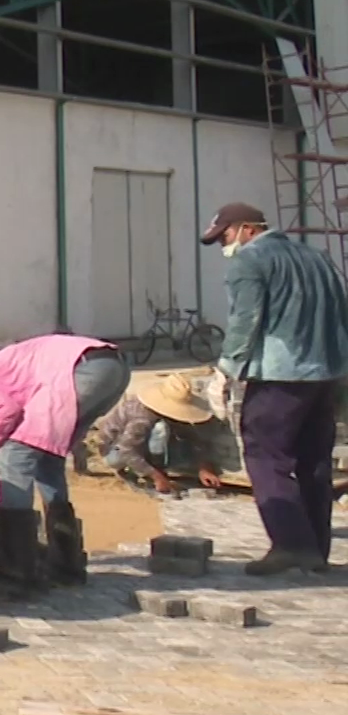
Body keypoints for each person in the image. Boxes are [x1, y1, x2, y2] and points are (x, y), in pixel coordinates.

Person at [202, 201, 348, 574]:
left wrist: (226, 371)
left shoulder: (250, 261)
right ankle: (316, 549)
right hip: (326, 374)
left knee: (265, 456)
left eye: (226, 236)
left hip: (278, 375)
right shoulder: (318, 259)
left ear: (249, 229)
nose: (225, 246)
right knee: (314, 462)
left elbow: (245, 320)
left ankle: (291, 545)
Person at [0, 334, 130, 588]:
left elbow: (4, 413)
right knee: (47, 459)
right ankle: (66, 566)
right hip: (113, 368)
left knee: (13, 455)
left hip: (81, 368)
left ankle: (17, 571)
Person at [93, 372, 224, 495]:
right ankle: (137, 472)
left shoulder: (167, 413)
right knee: (160, 430)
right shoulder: (141, 417)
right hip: (114, 450)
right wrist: (156, 476)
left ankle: (154, 469)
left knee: (166, 432)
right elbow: (126, 449)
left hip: (139, 444)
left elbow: (190, 435)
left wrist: (204, 466)